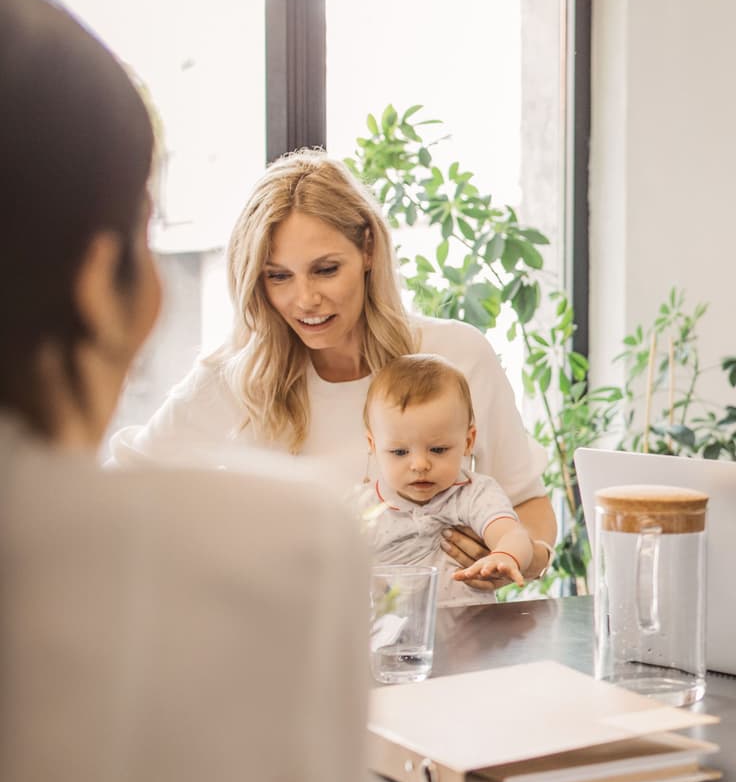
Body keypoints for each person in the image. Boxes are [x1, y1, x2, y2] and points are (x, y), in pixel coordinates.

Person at [0, 0, 366, 782]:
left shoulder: (450, 362)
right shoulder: (278, 551)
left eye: (323, 269)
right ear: (103, 278)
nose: (302, 298)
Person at [108, 149, 558, 587]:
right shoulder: (236, 376)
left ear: (367, 249)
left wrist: (519, 559)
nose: (305, 300)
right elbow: (120, 494)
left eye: (324, 270)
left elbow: (529, 504)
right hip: (303, 651)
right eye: (278, 276)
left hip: (454, 650)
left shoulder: (456, 354)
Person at [360, 353, 533, 604]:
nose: (420, 465)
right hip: (394, 636)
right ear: (373, 446)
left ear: (468, 441)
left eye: (438, 449)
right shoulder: (364, 507)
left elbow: (514, 535)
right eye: (399, 452)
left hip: (472, 631)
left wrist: (505, 555)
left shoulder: (475, 494)